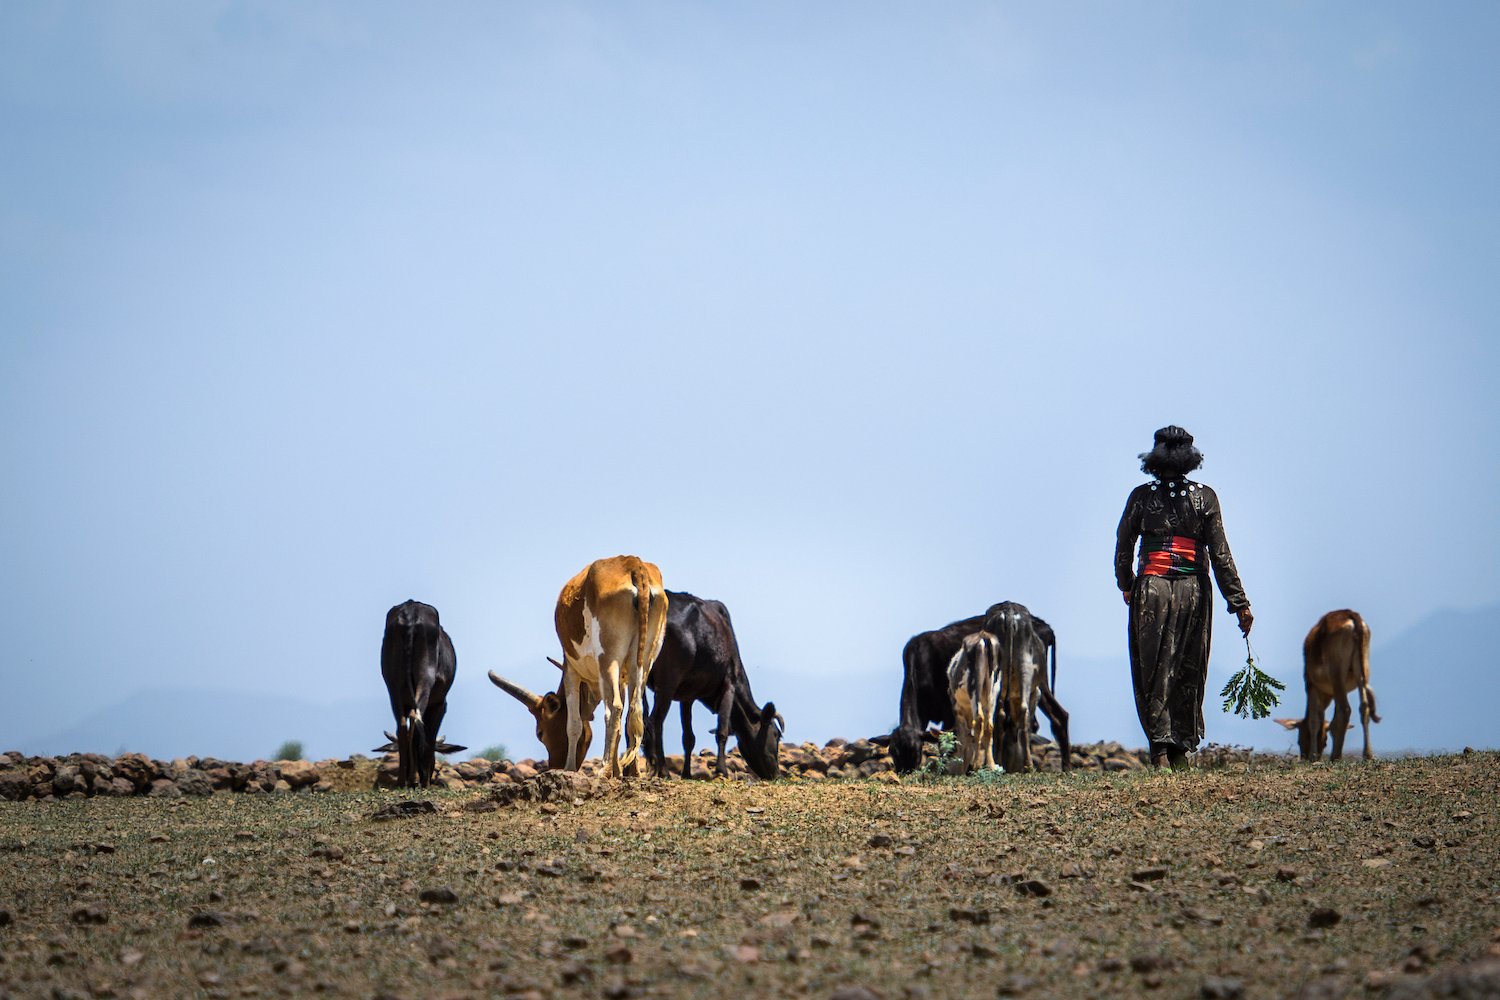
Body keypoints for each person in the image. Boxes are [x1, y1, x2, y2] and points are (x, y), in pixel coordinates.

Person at [1115, 426, 1252, 770]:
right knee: (1189, 665)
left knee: (1153, 669)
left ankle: (1160, 749)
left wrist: (1127, 583)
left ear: (1155, 457)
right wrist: (1239, 603)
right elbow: (1221, 555)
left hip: (1151, 590)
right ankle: (1180, 751)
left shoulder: (1140, 496)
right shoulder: (1205, 497)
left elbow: (1123, 545)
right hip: (1193, 590)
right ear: (1191, 458)